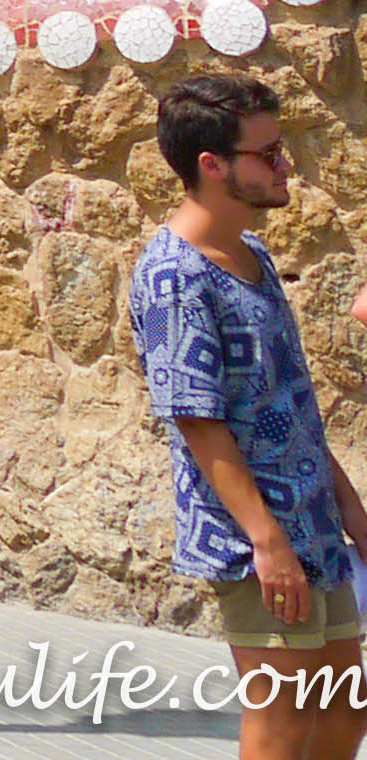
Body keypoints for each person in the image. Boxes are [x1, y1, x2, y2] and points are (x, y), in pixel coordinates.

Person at [144, 75, 359, 760]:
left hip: (314, 522)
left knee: (344, 714)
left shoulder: (253, 254)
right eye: (268, 153)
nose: (285, 164)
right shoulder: (174, 277)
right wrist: (267, 542)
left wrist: (348, 506)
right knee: (281, 725)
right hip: (253, 539)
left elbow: (287, 398)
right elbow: (196, 421)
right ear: (213, 165)